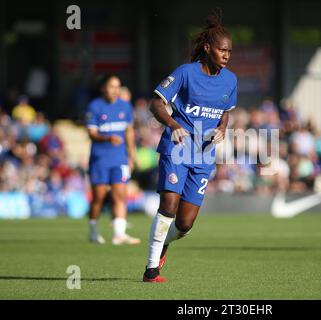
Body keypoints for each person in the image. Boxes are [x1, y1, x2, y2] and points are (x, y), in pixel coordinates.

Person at [143, 12, 236, 282]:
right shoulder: (185, 73)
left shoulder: (230, 80)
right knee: (168, 205)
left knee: (184, 224)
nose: (227, 55)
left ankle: (165, 243)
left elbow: (225, 111)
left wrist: (222, 129)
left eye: (230, 51)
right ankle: (151, 269)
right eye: (222, 49)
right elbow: (156, 103)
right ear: (208, 48)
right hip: (177, 147)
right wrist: (173, 125)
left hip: (204, 154)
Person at [85, 74, 140, 245]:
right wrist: (107, 139)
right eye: (111, 86)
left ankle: (119, 234)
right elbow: (91, 133)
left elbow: (129, 131)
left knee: (120, 195)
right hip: (100, 159)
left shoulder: (125, 106)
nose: (114, 90)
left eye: (117, 86)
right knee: (98, 199)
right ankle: (93, 231)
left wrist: (132, 154)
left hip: (119, 159)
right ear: (103, 88)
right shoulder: (94, 106)